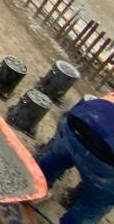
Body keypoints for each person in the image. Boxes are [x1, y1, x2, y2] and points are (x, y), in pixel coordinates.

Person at [34, 94, 114, 223]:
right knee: (95, 203)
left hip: (76, 122)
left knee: (57, 157)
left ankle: (36, 189)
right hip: (105, 156)